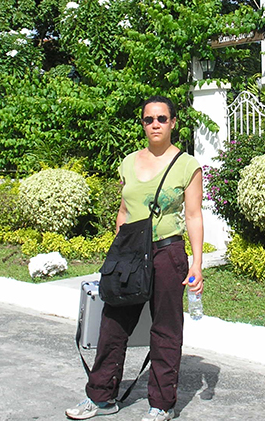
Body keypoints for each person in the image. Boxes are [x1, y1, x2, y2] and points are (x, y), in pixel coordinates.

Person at [66, 95, 204, 421]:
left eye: (161, 119)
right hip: (129, 254)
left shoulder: (187, 165)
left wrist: (197, 263)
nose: (154, 124)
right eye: (148, 119)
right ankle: (101, 398)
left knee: (166, 329)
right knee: (113, 325)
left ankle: (161, 405)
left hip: (168, 252)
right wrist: (117, 253)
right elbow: (124, 211)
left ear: (172, 123)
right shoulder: (128, 162)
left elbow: (195, 216)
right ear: (142, 124)